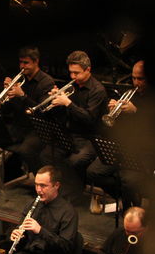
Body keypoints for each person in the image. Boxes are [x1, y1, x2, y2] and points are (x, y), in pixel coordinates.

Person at [0, 46, 55, 199]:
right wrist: (5, 95)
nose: (22, 67)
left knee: (26, 150)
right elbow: (7, 110)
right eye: (21, 63)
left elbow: (42, 111)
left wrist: (22, 96)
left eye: (26, 63)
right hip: (18, 127)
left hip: (37, 129)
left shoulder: (46, 82)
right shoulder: (19, 80)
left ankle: (42, 187)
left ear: (36, 62)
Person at [40, 50, 108, 200]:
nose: (72, 77)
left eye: (76, 73)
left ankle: (74, 191)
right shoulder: (72, 86)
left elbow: (89, 119)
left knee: (75, 160)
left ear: (88, 70)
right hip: (71, 133)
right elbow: (63, 115)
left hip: (90, 137)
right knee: (47, 154)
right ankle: (60, 189)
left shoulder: (98, 90)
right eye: (71, 72)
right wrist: (56, 101)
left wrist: (68, 103)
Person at [86, 60, 148, 211]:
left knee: (128, 180)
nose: (136, 82)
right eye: (133, 78)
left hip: (142, 150)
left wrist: (136, 112)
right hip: (121, 146)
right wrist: (114, 112)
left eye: (140, 79)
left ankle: (130, 207)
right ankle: (123, 198)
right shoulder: (129, 94)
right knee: (93, 172)